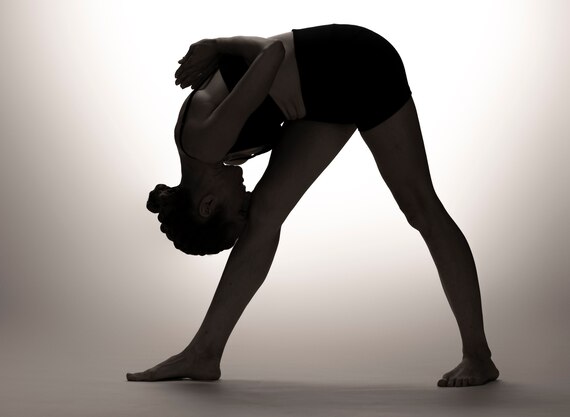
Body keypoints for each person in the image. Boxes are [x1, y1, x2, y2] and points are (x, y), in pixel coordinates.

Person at [127, 24, 499, 387]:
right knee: (265, 216)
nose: (245, 200)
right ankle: (204, 353)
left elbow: (270, 52)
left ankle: (478, 355)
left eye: (236, 209)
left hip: (357, 62)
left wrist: (218, 42)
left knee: (420, 208)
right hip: (319, 100)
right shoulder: (204, 152)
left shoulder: (207, 142)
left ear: (206, 205)